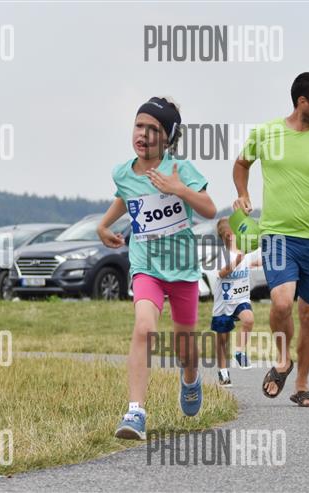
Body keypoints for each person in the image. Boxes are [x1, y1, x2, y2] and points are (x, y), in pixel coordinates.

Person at [233, 72, 309, 407]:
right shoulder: (266, 133)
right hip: (277, 235)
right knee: (281, 302)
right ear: (302, 101)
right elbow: (242, 164)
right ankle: (282, 360)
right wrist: (243, 193)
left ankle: (301, 384)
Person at [98, 96, 216, 440]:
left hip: (182, 269)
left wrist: (179, 189)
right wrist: (103, 225)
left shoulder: (182, 170)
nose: (143, 134)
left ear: (167, 138)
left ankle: (190, 378)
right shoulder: (123, 173)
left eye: (153, 129)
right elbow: (126, 197)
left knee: (185, 347)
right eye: (139, 125)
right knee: (144, 327)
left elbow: (209, 209)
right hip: (145, 266)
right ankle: (135, 411)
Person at [211, 218, 258, 386]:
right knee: (222, 339)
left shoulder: (245, 253)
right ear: (231, 236)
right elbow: (221, 273)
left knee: (249, 320)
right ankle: (223, 372)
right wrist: (236, 262)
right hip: (224, 304)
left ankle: (239, 352)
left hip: (241, 300)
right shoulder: (223, 255)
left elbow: (255, 261)